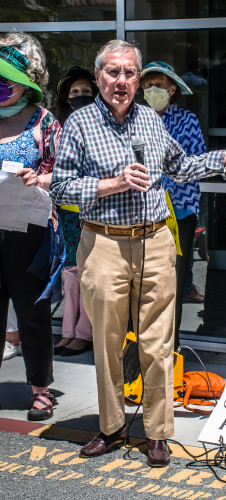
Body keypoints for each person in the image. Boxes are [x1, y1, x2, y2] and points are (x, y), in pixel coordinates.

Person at [49, 39, 226, 467]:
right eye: (114, 72)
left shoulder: (150, 118)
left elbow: (181, 166)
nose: (123, 81)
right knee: (109, 343)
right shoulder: (79, 126)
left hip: (155, 240)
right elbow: (60, 187)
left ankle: (157, 433)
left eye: (130, 73)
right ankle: (111, 427)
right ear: (99, 78)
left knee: (158, 342)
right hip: (104, 242)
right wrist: (111, 183)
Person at [0, 32, 63, 420]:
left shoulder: (45, 121)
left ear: (25, 83)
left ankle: (41, 388)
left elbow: (66, 174)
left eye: (5, 81)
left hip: (30, 231)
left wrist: (39, 179)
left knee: (32, 311)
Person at [140, 60, 205, 349]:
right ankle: (142, 350)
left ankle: (171, 347)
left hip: (178, 212)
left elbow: (196, 163)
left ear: (172, 90)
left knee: (174, 282)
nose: (153, 91)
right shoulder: (134, 118)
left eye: (159, 86)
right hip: (139, 213)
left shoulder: (186, 120)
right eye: (147, 86)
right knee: (143, 283)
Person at [53, 67, 98, 356]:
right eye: (75, 93)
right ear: (67, 99)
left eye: (86, 91)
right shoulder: (58, 126)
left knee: (91, 270)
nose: (81, 96)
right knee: (70, 269)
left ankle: (86, 332)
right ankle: (68, 330)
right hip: (67, 210)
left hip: (94, 207)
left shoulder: (101, 124)